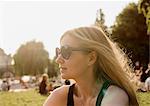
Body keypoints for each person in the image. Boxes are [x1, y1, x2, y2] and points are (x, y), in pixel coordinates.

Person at [44, 26, 139, 106]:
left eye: (66, 51)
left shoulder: (115, 96)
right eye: (58, 52)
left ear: (91, 58)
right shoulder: (60, 95)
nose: (58, 60)